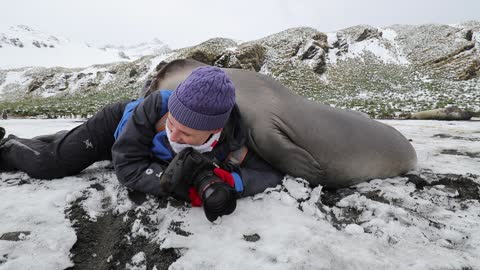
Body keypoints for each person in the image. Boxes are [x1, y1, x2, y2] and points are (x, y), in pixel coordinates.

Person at [0, 66, 284, 221]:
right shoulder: (154, 107)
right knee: (48, 163)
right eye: (171, 122)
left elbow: (271, 173)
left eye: (185, 132)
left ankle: (61, 140)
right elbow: (127, 167)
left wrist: (231, 181)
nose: (174, 133)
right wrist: (176, 183)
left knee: (64, 147)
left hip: (140, 146)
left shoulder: (233, 141)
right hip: (112, 129)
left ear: (215, 130)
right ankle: (7, 146)